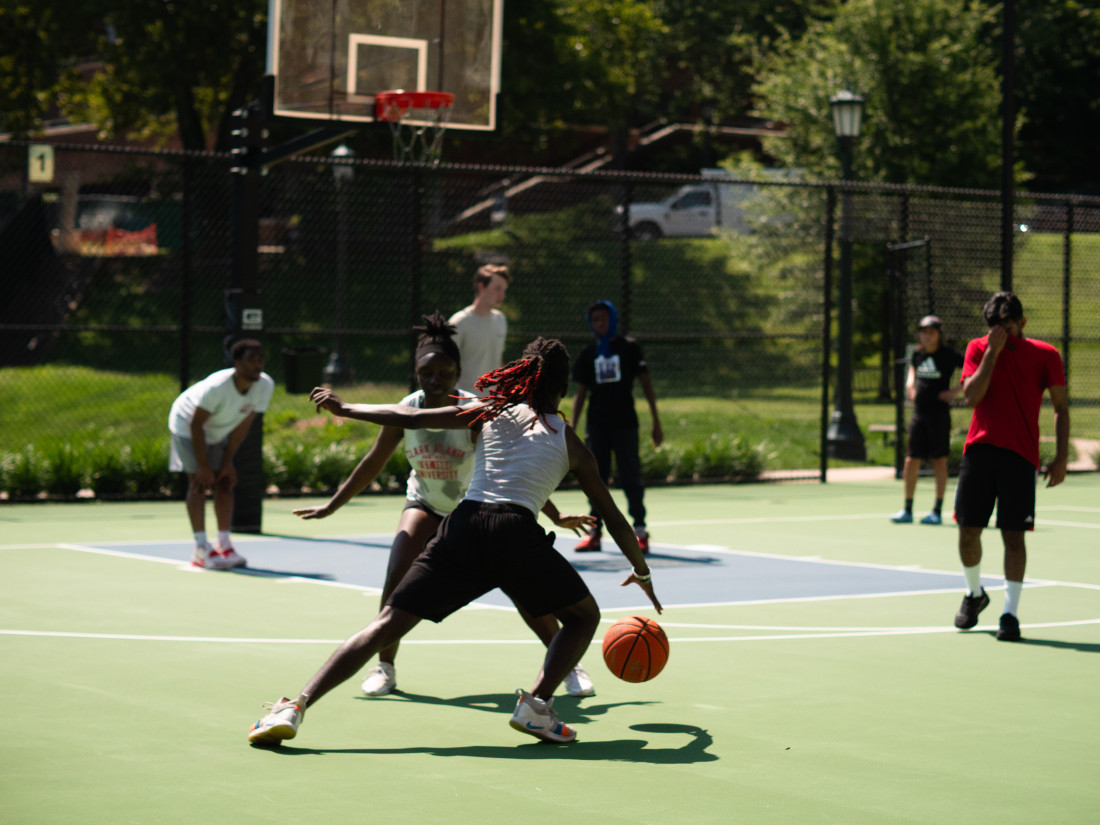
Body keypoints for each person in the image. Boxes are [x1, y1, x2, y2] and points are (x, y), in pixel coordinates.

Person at [247, 337, 661, 747]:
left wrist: (345, 408)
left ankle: (294, 707)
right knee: (583, 617)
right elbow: (615, 518)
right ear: (563, 388)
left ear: (521, 377)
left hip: (465, 525)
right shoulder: (570, 442)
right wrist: (641, 571)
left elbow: (408, 418)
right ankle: (536, 706)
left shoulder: (488, 410)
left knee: (387, 624)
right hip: (515, 532)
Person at [292, 313, 599, 699]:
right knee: (397, 577)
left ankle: (569, 666)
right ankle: (385, 666)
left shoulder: (477, 412)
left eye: (444, 372)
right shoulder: (407, 408)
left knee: (524, 591)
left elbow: (510, 474)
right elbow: (373, 460)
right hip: (425, 501)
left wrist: (554, 515)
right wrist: (333, 506)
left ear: (457, 373)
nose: (435, 379)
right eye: (426, 372)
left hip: (473, 511)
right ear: (416, 373)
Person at [953, 292, 1069, 642]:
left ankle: (1010, 614)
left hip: (1020, 458)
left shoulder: (1047, 355)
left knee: (1013, 537)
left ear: (1022, 323)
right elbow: (971, 397)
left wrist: (1061, 457)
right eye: (993, 330)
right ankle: (974, 595)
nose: (999, 334)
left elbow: (1061, 408)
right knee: (967, 533)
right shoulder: (979, 348)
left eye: (1006, 329)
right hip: (979, 453)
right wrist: (992, 352)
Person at [168, 338, 275, 569]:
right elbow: (196, 425)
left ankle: (224, 545)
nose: (257, 365)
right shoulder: (218, 386)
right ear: (237, 363)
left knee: (224, 482)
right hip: (186, 426)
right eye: (250, 360)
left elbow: (242, 427)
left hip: (218, 431)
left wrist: (227, 462)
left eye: (260, 360)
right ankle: (200, 549)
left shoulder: (265, 385)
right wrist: (204, 467)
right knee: (198, 483)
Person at [569, 300, 663, 554]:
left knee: (631, 476)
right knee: (595, 479)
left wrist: (656, 421)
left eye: (605, 318)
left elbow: (646, 384)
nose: (601, 323)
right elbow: (581, 393)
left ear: (613, 319)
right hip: (597, 426)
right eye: (596, 320)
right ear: (591, 324)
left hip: (625, 425)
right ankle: (595, 532)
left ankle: (640, 531)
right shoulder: (589, 353)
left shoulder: (629, 348)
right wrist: (572, 426)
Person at [890, 315, 965, 525]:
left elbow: (972, 371)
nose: (927, 335)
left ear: (939, 335)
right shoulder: (918, 354)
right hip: (919, 415)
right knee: (911, 460)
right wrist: (910, 385)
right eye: (923, 331)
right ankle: (907, 509)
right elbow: (913, 371)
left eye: (931, 332)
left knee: (938, 461)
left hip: (939, 416)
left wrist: (955, 391)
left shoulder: (948, 355)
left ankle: (937, 510)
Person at [448, 263, 510, 394]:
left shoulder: (501, 320)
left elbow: (497, 359)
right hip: (464, 402)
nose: (502, 295)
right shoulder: (459, 322)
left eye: (504, 290)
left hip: (493, 400)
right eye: (497, 289)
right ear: (481, 287)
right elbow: (447, 364)